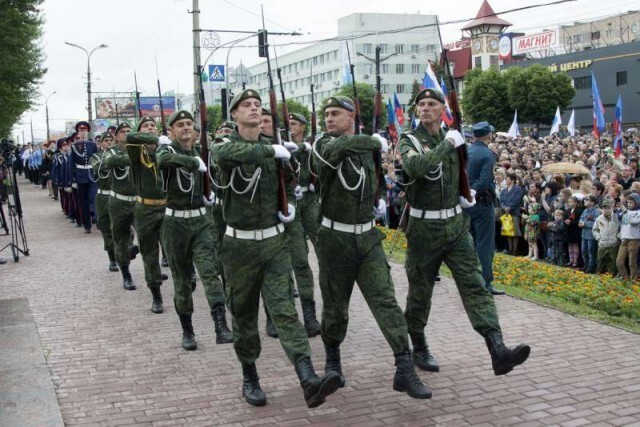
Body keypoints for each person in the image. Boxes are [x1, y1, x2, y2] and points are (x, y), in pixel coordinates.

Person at [213, 89, 341, 408]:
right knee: (243, 316)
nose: (254, 109)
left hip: (273, 243)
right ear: (234, 115)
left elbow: (290, 186)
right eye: (247, 105)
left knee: (284, 311)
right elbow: (225, 159)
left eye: (257, 105)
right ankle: (250, 377)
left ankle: (308, 377)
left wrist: (290, 206)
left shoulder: (278, 149)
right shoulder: (224, 146)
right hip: (238, 246)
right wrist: (273, 152)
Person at [397, 87, 530, 378]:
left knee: (475, 285)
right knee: (420, 294)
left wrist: (463, 192)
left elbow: (459, 172)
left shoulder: (453, 137)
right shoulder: (410, 140)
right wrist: (447, 144)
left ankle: (498, 349)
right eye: (422, 104)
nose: (426, 109)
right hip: (424, 229)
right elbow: (415, 167)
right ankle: (418, 347)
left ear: (442, 108)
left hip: (456, 226)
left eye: (432, 104)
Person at [312, 95, 430, 399]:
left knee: (385, 300)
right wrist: (371, 141)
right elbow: (336, 151)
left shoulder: (366, 148)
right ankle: (333, 361)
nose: (328, 119)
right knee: (336, 308)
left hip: (366, 238)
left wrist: (375, 199)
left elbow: (373, 176)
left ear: (351, 116)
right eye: (326, 114)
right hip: (334, 240)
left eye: (335, 114)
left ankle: (404, 366)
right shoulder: (322, 144)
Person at [156, 110, 233, 349]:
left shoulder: (204, 153)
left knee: (210, 273)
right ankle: (187, 330)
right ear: (171, 131)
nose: (186, 128)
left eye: (189, 123)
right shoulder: (167, 151)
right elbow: (162, 161)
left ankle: (220, 325)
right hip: (175, 224)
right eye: (180, 125)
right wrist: (192, 162)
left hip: (201, 221)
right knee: (182, 280)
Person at [126, 116, 171, 314]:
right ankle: (156, 296)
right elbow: (131, 136)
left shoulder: (166, 149)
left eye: (153, 126)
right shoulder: (137, 151)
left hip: (168, 207)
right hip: (145, 209)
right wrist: (154, 139)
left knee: (173, 250)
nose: (151, 128)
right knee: (150, 254)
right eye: (146, 126)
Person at [466, 121, 503, 295]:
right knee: (485, 245)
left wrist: (467, 194)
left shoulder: (466, 151)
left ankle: (471, 281)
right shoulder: (488, 154)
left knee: (470, 244)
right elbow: (485, 179)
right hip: (481, 203)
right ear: (488, 136)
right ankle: (486, 282)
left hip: (466, 203)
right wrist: (474, 192)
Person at [101, 122, 139, 290]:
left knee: (147, 237)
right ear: (116, 136)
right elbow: (108, 163)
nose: (125, 134)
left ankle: (154, 269)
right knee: (121, 240)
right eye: (122, 132)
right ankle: (126, 275)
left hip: (138, 202)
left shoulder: (140, 150)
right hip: (119, 202)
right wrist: (134, 156)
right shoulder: (111, 152)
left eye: (128, 131)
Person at [90, 132, 118, 272]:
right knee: (106, 228)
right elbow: (98, 168)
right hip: (103, 197)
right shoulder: (96, 157)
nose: (108, 143)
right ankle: (112, 258)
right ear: (100, 144)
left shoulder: (119, 156)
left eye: (111, 140)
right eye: (105, 141)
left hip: (118, 196)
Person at [68, 121, 98, 233]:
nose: (83, 132)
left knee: (94, 198)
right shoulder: (75, 146)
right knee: (83, 202)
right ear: (78, 132)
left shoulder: (93, 145)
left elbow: (97, 160)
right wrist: (73, 180)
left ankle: (96, 218)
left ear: (88, 131)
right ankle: (87, 225)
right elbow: (71, 164)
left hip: (92, 175)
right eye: (80, 130)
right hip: (80, 176)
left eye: (85, 130)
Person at [615, 193, 640, 280]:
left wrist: (625, 211)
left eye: (631, 203)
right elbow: (618, 218)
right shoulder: (625, 211)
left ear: (636, 202)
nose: (629, 204)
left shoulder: (638, 212)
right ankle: (625, 278)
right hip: (624, 239)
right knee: (619, 262)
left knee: (632, 262)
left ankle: (633, 280)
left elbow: (633, 221)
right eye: (628, 202)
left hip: (634, 239)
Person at [592, 199, 620, 274]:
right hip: (602, 245)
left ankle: (611, 278)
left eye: (609, 208)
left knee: (613, 264)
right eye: (605, 208)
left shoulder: (617, 218)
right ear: (602, 209)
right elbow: (595, 229)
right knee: (600, 263)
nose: (607, 210)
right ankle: (598, 278)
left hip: (613, 245)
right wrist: (598, 238)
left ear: (612, 208)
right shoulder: (599, 219)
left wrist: (617, 237)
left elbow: (621, 229)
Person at [499, 172, 524, 254]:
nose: (506, 180)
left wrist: (509, 207)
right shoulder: (504, 190)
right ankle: (510, 248)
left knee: (515, 231)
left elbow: (517, 200)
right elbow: (501, 200)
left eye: (507, 178)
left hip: (514, 212)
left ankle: (515, 249)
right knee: (508, 230)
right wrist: (504, 207)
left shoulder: (518, 189)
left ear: (512, 180)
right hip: (506, 214)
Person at [579, 195, 600, 273]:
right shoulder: (585, 211)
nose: (585, 201)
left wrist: (585, 224)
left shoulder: (596, 212)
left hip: (591, 235)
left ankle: (591, 267)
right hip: (584, 234)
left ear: (592, 202)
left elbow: (596, 223)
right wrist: (580, 222)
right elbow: (581, 218)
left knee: (591, 251)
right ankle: (586, 265)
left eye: (587, 200)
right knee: (584, 251)